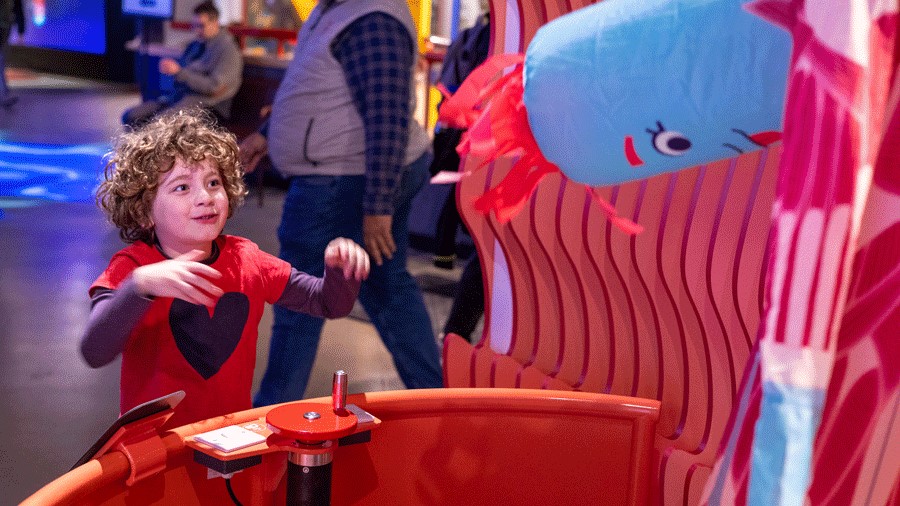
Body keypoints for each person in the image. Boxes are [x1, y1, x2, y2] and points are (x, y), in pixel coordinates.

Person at [80, 111, 370, 429]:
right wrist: (141, 285)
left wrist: (340, 272)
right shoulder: (135, 267)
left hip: (229, 445)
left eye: (213, 182)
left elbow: (327, 302)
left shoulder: (247, 259)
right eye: (181, 188)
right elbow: (95, 351)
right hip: (157, 453)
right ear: (144, 211)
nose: (205, 197)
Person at [240, 0, 443, 406]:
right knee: (385, 287)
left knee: (299, 293)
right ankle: (439, 400)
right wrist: (269, 132)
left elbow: (387, 119)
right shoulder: (338, 10)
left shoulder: (370, 17)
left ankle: (272, 419)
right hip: (342, 173)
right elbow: (315, 86)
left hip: (340, 180)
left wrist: (378, 208)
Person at [431, 13, 490, 343]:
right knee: (488, 252)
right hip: (481, 135)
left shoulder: (475, 34)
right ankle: (456, 335)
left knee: (486, 250)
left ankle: (455, 335)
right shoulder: (485, 35)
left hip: (470, 132)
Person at [122, 1, 243, 127]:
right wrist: (173, 72)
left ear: (216, 22)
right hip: (179, 98)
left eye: (201, 26)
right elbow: (180, 75)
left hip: (209, 106)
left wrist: (179, 72)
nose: (197, 31)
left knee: (158, 124)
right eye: (194, 26)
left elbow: (214, 88)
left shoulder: (228, 50)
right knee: (131, 117)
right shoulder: (195, 45)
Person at [0, 0, 24, 108]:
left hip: (4, 29)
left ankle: (4, 93)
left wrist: (21, 30)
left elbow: (18, 8)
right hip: (4, 28)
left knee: (1, 61)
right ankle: (4, 93)